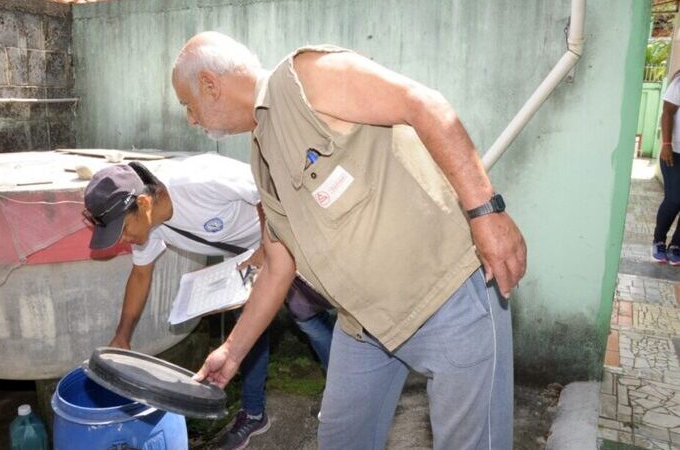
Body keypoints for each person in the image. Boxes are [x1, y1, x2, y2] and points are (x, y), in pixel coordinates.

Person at [171, 32, 527, 450]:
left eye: (188, 105)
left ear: (211, 85)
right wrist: (231, 354)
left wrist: (487, 212)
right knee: (341, 440)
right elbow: (278, 265)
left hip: (449, 299)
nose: (191, 119)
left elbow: (423, 103)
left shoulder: (304, 78)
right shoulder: (261, 155)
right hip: (364, 328)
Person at [81, 153, 334, 450]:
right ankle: (253, 414)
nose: (123, 239)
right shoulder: (150, 225)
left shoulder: (198, 181)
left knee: (308, 319)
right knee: (249, 330)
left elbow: (267, 190)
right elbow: (140, 276)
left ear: (145, 205)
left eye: (122, 229)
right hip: (245, 260)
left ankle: (349, 394)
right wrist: (122, 336)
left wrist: (267, 249)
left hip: (284, 238)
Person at [652, 72, 680, 265]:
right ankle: (658, 240)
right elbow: (667, 112)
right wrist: (666, 143)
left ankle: (677, 245)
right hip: (675, 151)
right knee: (674, 199)